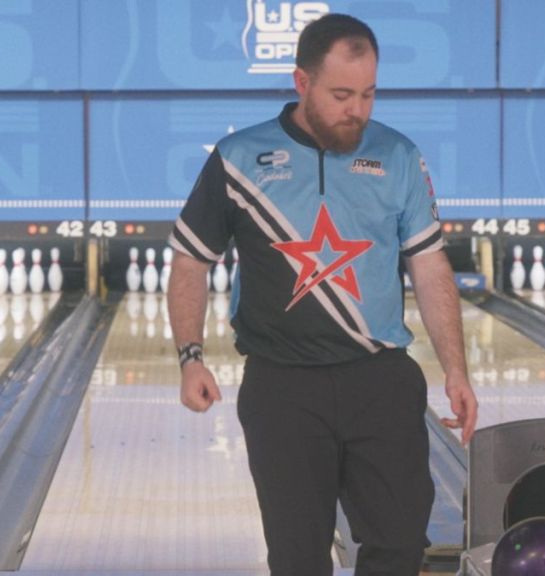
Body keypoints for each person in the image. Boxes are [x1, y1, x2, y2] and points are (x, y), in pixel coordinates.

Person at [166, 13, 477, 575]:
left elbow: (429, 266)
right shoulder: (239, 159)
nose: (356, 109)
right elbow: (191, 261)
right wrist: (190, 356)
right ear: (301, 83)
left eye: (368, 93)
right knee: (297, 558)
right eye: (340, 94)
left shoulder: (398, 155)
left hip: (379, 380)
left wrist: (456, 368)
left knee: (401, 545)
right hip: (282, 387)